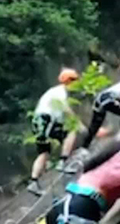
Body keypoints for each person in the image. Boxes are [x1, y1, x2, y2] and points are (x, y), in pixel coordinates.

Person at [27, 68, 81, 197]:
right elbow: (64, 107)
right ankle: (62, 162)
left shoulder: (53, 92)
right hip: (46, 119)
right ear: (69, 81)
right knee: (71, 131)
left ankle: (33, 182)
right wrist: (76, 120)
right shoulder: (60, 91)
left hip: (40, 120)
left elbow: (59, 115)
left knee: (44, 151)